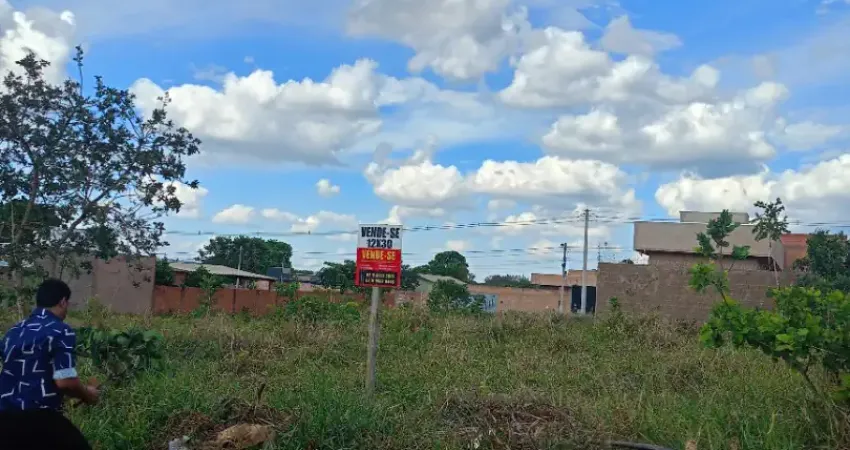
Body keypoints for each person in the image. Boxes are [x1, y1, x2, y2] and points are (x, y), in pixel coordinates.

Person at [0, 279, 100, 450]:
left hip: (4, 419)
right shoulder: (60, 329)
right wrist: (87, 395)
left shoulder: (13, 331)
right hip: (40, 419)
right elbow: (65, 381)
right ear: (62, 302)